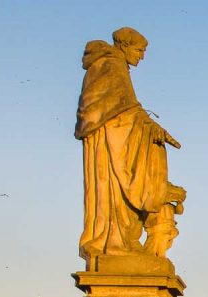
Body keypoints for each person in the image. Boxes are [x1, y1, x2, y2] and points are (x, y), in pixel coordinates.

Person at [76, 27, 186, 266]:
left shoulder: (117, 67)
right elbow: (109, 112)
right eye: (139, 50)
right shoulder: (110, 66)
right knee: (114, 192)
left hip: (119, 138)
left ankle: (123, 240)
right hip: (110, 144)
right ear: (124, 46)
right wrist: (147, 127)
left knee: (125, 194)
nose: (142, 56)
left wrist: (150, 126)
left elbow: (128, 109)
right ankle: (114, 243)